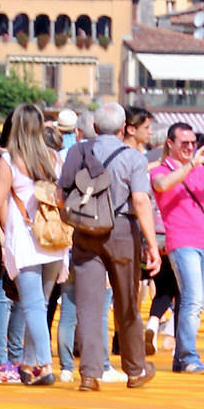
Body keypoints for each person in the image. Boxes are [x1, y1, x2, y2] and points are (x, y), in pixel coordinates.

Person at [58, 100, 159, 390]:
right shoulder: (134, 157)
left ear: (93, 126)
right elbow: (140, 200)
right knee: (127, 300)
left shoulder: (78, 151)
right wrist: (152, 245)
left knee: (88, 306)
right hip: (121, 230)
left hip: (85, 231)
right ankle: (135, 369)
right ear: (123, 127)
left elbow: (60, 195)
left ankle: (89, 374)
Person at [0, 101, 68, 385]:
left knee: (32, 306)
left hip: (27, 239)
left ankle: (44, 365)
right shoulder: (54, 158)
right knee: (41, 304)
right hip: (54, 239)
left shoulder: (9, 161)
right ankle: (30, 364)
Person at [149, 120, 204, 374]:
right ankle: (189, 356)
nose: (190, 147)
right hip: (181, 242)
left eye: (193, 143)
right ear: (170, 144)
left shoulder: (202, 171)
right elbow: (161, 185)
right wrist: (192, 163)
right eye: (185, 143)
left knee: (197, 303)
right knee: (191, 300)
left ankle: (181, 359)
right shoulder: (160, 170)